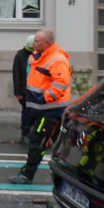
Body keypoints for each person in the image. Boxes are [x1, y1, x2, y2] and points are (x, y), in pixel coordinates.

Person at [10, 29, 72, 185]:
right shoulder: (40, 56)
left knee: (37, 142)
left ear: (48, 43)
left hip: (50, 110)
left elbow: (59, 87)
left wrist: (42, 99)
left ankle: (26, 175)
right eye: (34, 40)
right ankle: (63, 176)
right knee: (55, 145)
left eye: (37, 41)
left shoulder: (57, 60)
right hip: (41, 109)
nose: (33, 43)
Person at [12, 34, 35, 145]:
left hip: (36, 89)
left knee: (35, 113)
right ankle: (25, 134)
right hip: (24, 89)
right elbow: (16, 74)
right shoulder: (20, 55)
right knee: (26, 112)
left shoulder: (39, 55)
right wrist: (17, 91)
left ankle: (33, 133)